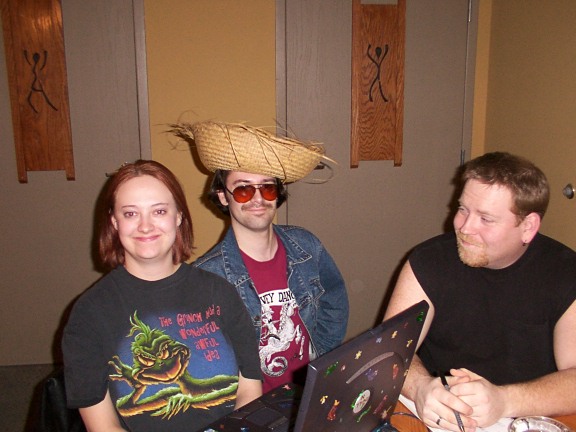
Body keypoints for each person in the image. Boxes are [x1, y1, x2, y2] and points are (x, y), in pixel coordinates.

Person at [62, 160, 262, 432]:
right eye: (131, 214)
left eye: (158, 211)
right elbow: (103, 427)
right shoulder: (90, 313)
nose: (145, 226)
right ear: (115, 222)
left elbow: (249, 390)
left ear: (178, 216)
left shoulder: (220, 292)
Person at [384, 152, 576, 431]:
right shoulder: (427, 261)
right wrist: (421, 388)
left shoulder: (565, 272)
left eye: (486, 218)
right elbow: (390, 349)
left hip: (529, 416)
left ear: (528, 227)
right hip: (441, 412)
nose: (464, 227)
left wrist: (504, 400)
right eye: (463, 209)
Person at [170, 121, 349, 393]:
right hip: (253, 406)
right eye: (243, 189)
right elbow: (205, 360)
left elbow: (334, 301)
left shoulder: (306, 246)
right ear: (223, 196)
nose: (257, 198)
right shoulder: (206, 278)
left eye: (267, 187)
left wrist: (320, 362)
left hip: (311, 392)